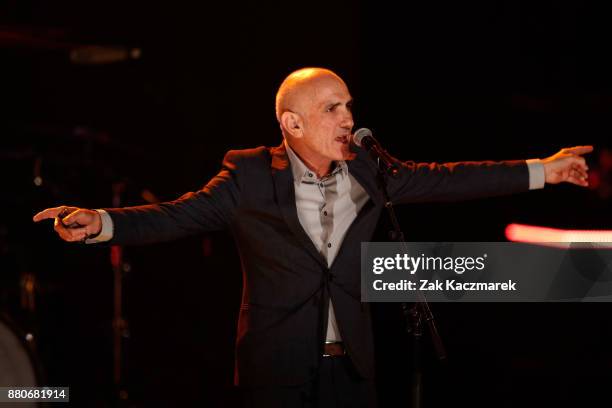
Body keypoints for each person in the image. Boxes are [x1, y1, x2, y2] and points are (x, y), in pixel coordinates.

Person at [33, 67, 592, 407]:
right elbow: (178, 215)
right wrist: (102, 222)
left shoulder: (371, 170)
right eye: (332, 108)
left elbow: (449, 179)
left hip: (353, 367)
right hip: (275, 367)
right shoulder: (249, 174)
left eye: (349, 104)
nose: (348, 116)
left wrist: (543, 168)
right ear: (292, 124)